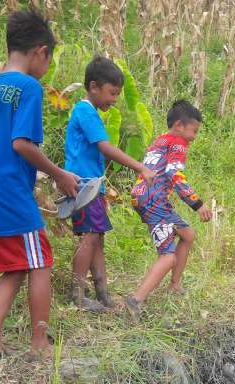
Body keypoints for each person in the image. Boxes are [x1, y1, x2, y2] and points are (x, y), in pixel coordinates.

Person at [0, 10, 78, 359]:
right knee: (41, 259)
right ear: (40, 51)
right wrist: (60, 174)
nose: (47, 66)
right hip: (7, 185)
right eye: (50, 59)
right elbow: (21, 144)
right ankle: (39, 343)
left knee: (17, 262)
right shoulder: (29, 87)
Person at [65, 56, 154, 312]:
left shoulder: (89, 112)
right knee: (89, 237)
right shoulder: (85, 111)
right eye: (112, 93)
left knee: (96, 238)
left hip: (93, 186)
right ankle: (77, 294)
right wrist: (139, 167)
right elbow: (104, 147)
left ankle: (103, 294)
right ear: (94, 87)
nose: (114, 99)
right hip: (84, 185)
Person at [124, 100, 212, 320]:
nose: (194, 136)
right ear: (180, 126)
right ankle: (136, 299)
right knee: (168, 256)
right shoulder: (179, 143)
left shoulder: (161, 139)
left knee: (187, 234)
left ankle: (174, 286)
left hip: (144, 195)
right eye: (194, 131)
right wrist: (198, 204)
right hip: (154, 200)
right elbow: (175, 175)